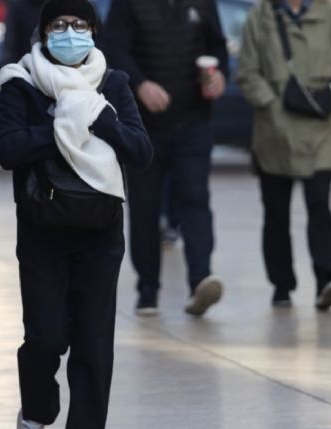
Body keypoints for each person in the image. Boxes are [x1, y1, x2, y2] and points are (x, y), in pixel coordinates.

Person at [0, 0, 152, 429]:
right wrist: (64, 129)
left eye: (79, 25)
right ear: (43, 33)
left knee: (94, 344)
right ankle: (35, 416)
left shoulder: (112, 84)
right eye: (59, 25)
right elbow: (8, 148)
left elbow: (141, 151)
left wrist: (101, 121)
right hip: (42, 230)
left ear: (94, 31)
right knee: (44, 339)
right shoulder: (20, 82)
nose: (69, 33)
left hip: (100, 231)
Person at [104, 0, 228, 317]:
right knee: (145, 207)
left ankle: (200, 280)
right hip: (143, 125)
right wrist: (140, 84)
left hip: (194, 120)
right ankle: (148, 289)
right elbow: (115, 51)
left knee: (196, 198)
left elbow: (217, 46)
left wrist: (219, 76)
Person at [236, 0, 331, 310]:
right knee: (276, 211)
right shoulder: (260, 17)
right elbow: (248, 72)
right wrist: (271, 106)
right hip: (274, 130)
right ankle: (281, 284)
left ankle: (326, 278)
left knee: (319, 203)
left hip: (322, 124)